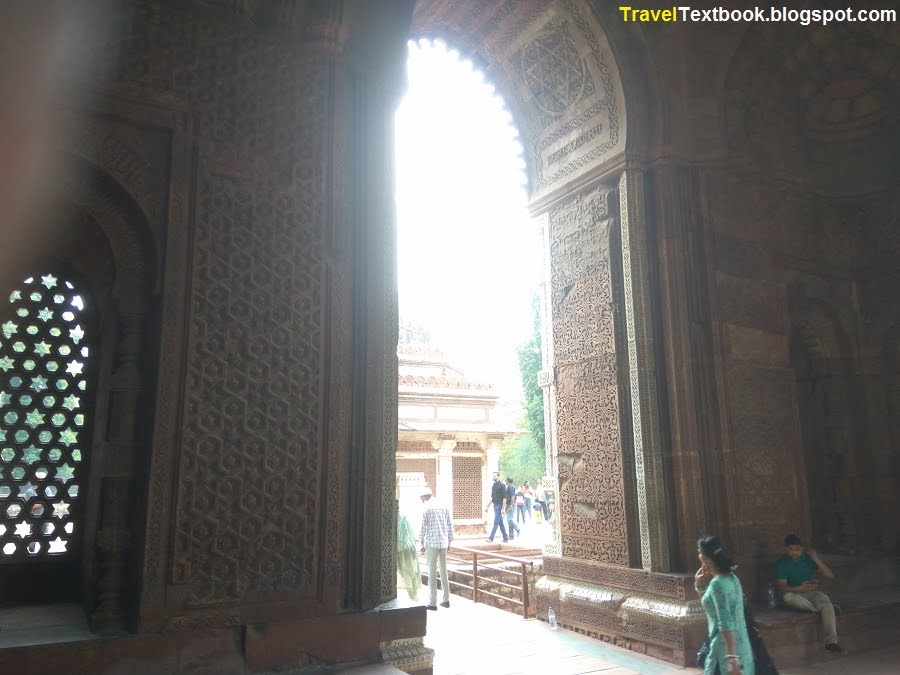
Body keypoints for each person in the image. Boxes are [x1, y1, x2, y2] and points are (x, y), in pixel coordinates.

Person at [695, 536, 754, 674]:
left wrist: (732, 660)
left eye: (699, 552)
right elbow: (712, 606)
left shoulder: (717, 584)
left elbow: (725, 622)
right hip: (743, 648)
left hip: (725, 651)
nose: (698, 555)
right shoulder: (732, 578)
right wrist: (700, 584)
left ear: (707, 558)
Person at [775, 534, 842, 654]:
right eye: (791, 549)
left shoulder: (808, 558)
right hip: (795, 594)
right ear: (786, 549)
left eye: (797, 549)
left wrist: (816, 558)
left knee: (825, 600)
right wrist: (799, 588)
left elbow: (830, 575)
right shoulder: (781, 563)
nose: (794, 552)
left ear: (802, 549)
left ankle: (831, 642)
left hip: (812, 593)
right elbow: (783, 588)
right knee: (788, 598)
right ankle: (825, 610)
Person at [418, 486, 453, 610]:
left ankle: (433, 602)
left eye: (421, 497)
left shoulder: (426, 508)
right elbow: (450, 524)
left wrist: (421, 544)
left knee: (432, 573)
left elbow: (423, 528)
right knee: (444, 571)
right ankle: (446, 599)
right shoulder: (443, 506)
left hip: (432, 543)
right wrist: (449, 541)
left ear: (426, 496)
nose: (421, 499)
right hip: (443, 543)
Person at [483, 472, 508, 543]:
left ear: (498, 476)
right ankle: (505, 537)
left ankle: (491, 538)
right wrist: (487, 506)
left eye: (495, 476)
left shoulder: (502, 486)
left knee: (496, 522)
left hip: (499, 506)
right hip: (495, 505)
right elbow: (492, 497)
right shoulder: (493, 486)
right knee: (500, 523)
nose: (493, 477)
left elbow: (504, 498)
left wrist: (503, 508)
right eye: (493, 476)